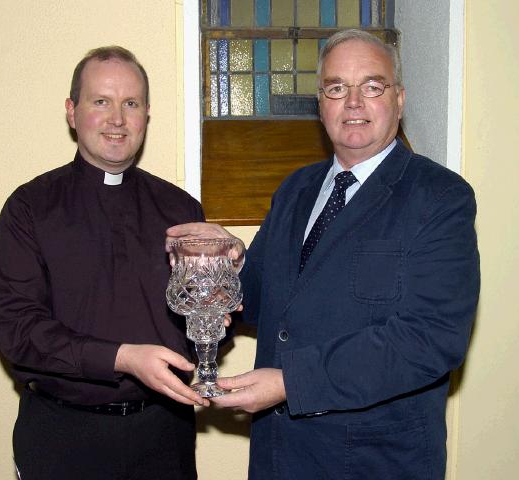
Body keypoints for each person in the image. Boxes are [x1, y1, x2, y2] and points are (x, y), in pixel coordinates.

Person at [167, 29, 480, 479]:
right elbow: (259, 301)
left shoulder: (439, 197)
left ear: (399, 98)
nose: (353, 103)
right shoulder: (296, 189)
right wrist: (222, 260)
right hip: (279, 457)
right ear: (321, 104)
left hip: (374, 462)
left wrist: (293, 382)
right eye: (336, 88)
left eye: (372, 86)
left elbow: (430, 339)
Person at [0, 46, 209, 480]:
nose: (117, 120)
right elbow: (16, 328)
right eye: (101, 101)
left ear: (147, 113)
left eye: (131, 103)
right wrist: (121, 358)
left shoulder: (181, 209)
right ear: (72, 112)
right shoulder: (29, 207)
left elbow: (200, 318)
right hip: (63, 434)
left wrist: (222, 308)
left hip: (164, 434)